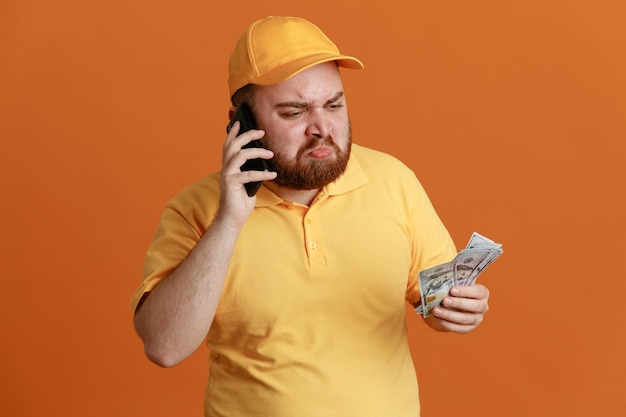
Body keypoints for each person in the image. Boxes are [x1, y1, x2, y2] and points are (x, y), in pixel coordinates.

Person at [131, 16, 490, 417]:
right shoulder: (195, 210)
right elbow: (164, 347)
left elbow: (436, 301)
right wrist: (229, 222)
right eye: (293, 112)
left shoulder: (394, 181)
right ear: (240, 121)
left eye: (334, 105)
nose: (322, 128)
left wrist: (458, 309)